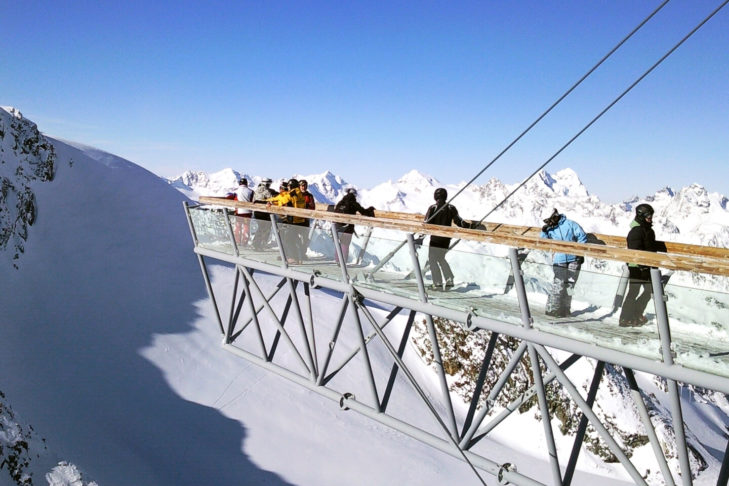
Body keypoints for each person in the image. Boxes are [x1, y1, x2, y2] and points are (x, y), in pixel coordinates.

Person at [540, 208, 588, 318]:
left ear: (555, 216)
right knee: (559, 284)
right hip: (559, 259)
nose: (549, 223)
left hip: (573, 258)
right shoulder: (549, 228)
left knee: (570, 285)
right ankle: (553, 308)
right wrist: (544, 231)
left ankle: (565, 308)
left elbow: (582, 237)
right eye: (546, 221)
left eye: (549, 220)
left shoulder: (570, 224)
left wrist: (579, 253)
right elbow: (543, 242)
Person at [423, 188, 472, 291]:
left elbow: (426, 223)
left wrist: (420, 237)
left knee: (432, 260)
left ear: (435, 196)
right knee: (441, 258)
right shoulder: (451, 208)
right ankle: (449, 279)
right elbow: (459, 222)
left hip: (435, 239)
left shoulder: (433, 208)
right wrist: (470, 226)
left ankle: (438, 284)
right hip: (446, 239)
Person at [619, 203, 658, 327]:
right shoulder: (636, 231)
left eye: (651, 215)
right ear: (641, 216)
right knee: (634, 292)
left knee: (649, 290)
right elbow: (634, 249)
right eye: (648, 215)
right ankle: (625, 318)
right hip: (637, 267)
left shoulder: (646, 229)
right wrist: (642, 264)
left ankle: (635, 314)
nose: (650, 218)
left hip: (646, 265)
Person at [267, 178, 310, 263]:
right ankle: (297, 256)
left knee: (289, 239)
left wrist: (270, 202)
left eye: (289, 186)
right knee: (294, 239)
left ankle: (293, 257)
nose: (288, 188)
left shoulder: (292, 194)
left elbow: (282, 201)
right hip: (301, 220)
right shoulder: (300, 194)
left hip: (293, 221)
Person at [333, 187, 375, 264]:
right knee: (345, 245)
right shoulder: (354, 203)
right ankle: (343, 263)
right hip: (348, 227)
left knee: (338, 244)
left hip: (337, 226)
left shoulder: (341, 202)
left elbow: (335, 210)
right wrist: (371, 209)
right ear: (354, 195)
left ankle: (337, 260)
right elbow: (364, 212)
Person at [251, 178, 276, 250]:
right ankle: (259, 244)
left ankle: (257, 244)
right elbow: (271, 200)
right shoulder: (266, 191)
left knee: (261, 228)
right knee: (265, 228)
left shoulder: (257, 190)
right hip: (264, 212)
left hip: (256, 211)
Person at [233, 178, 254, 245]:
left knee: (238, 226)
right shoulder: (251, 191)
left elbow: (233, 198)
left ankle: (237, 241)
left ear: (240, 183)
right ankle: (245, 242)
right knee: (246, 226)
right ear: (246, 183)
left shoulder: (236, 191)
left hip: (239, 212)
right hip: (248, 212)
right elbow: (252, 200)